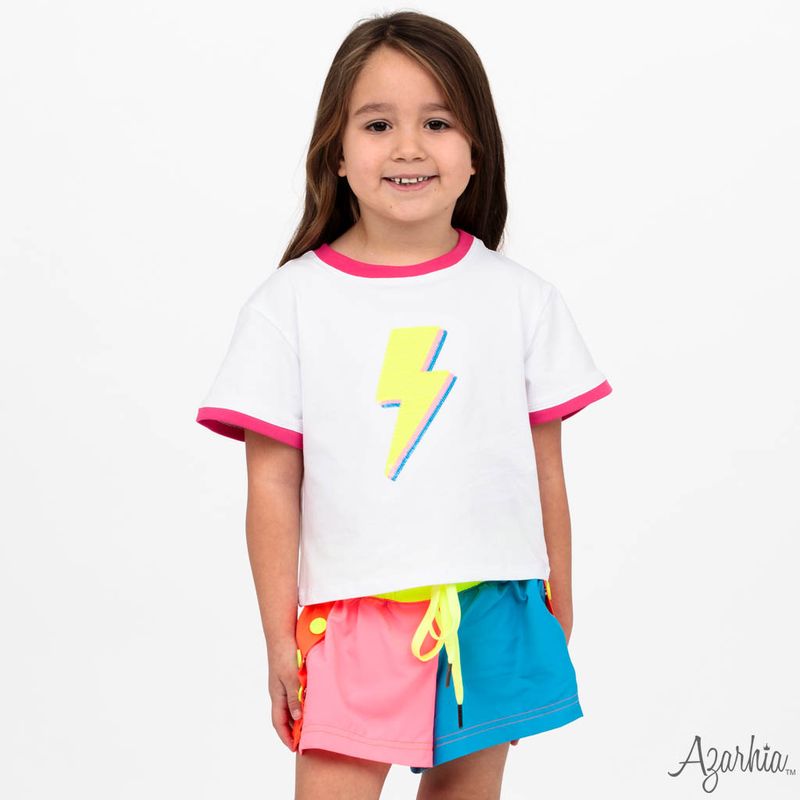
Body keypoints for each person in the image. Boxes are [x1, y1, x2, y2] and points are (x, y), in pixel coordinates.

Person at [196, 10, 613, 800]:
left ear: (476, 150)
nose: (409, 147)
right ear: (338, 151)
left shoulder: (522, 300)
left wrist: (557, 597)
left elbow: (544, 467)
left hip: (494, 605)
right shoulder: (289, 306)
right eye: (379, 123)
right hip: (351, 617)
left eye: (438, 122)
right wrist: (280, 638)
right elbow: (272, 483)